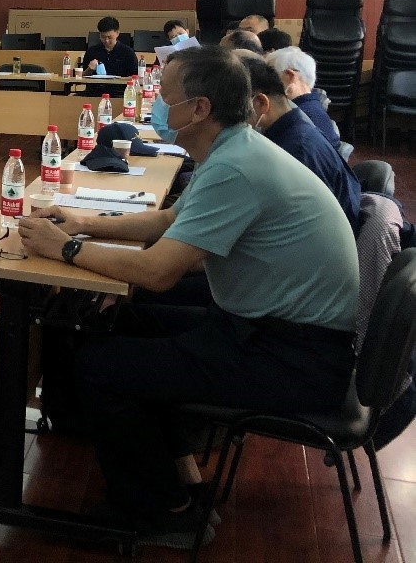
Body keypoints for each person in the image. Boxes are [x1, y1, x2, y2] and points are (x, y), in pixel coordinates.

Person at [19, 46, 358, 548]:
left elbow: (158, 272)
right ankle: (172, 477)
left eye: (165, 95)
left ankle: (162, 513)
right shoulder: (234, 149)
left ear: (199, 108)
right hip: (271, 332)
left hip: (291, 356)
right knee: (122, 322)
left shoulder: (235, 166)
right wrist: (83, 223)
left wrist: (65, 249)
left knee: (100, 366)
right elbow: (171, 220)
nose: (157, 103)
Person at [237, 52, 360, 229]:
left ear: (261, 103)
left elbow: (293, 220)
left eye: (236, 104)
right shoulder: (291, 126)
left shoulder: (296, 148)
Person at [266, 46, 339, 147]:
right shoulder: (313, 108)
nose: (265, 83)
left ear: (289, 76)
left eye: (269, 76)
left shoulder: (300, 117)